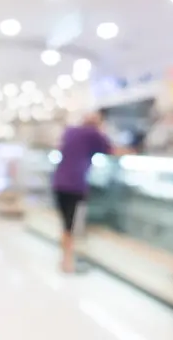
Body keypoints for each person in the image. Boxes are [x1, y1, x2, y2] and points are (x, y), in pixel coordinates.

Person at [52, 112, 112, 273]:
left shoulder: (70, 131)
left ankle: (65, 259)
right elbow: (110, 149)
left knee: (66, 226)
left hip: (59, 183)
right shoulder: (93, 134)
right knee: (72, 227)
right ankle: (68, 263)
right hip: (75, 186)